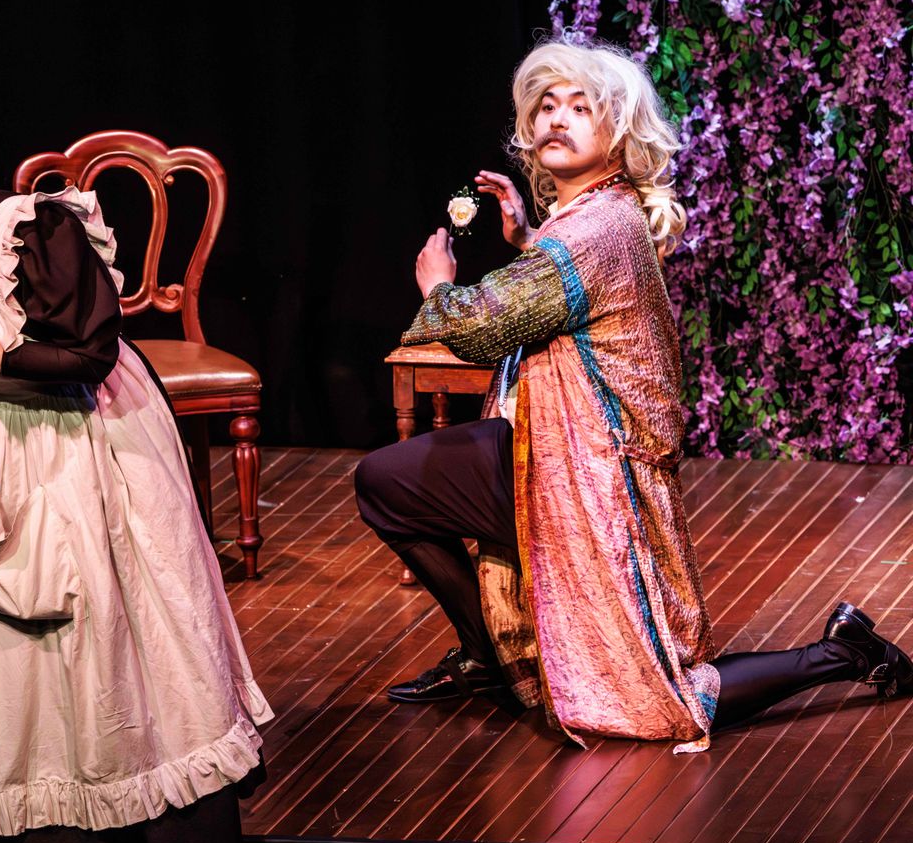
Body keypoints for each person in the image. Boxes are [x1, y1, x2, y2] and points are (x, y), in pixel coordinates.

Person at [354, 37, 911, 753]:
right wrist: (528, 236)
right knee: (390, 482)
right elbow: (564, 298)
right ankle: (488, 656)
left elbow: (486, 326)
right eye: (545, 107)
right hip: (554, 450)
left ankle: (843, 652)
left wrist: (437, 285)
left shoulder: (596, 229)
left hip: (590, 475)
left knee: (655, 693)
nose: (556, 119)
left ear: (618, 134)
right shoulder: (596, 217)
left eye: (579, 108)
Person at [0, 70, 271, 843]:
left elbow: (88, 354)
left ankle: (159, 812)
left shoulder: (30, 226)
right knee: (17, 642)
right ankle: (56, 822)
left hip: (93, 430)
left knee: (124, 620)